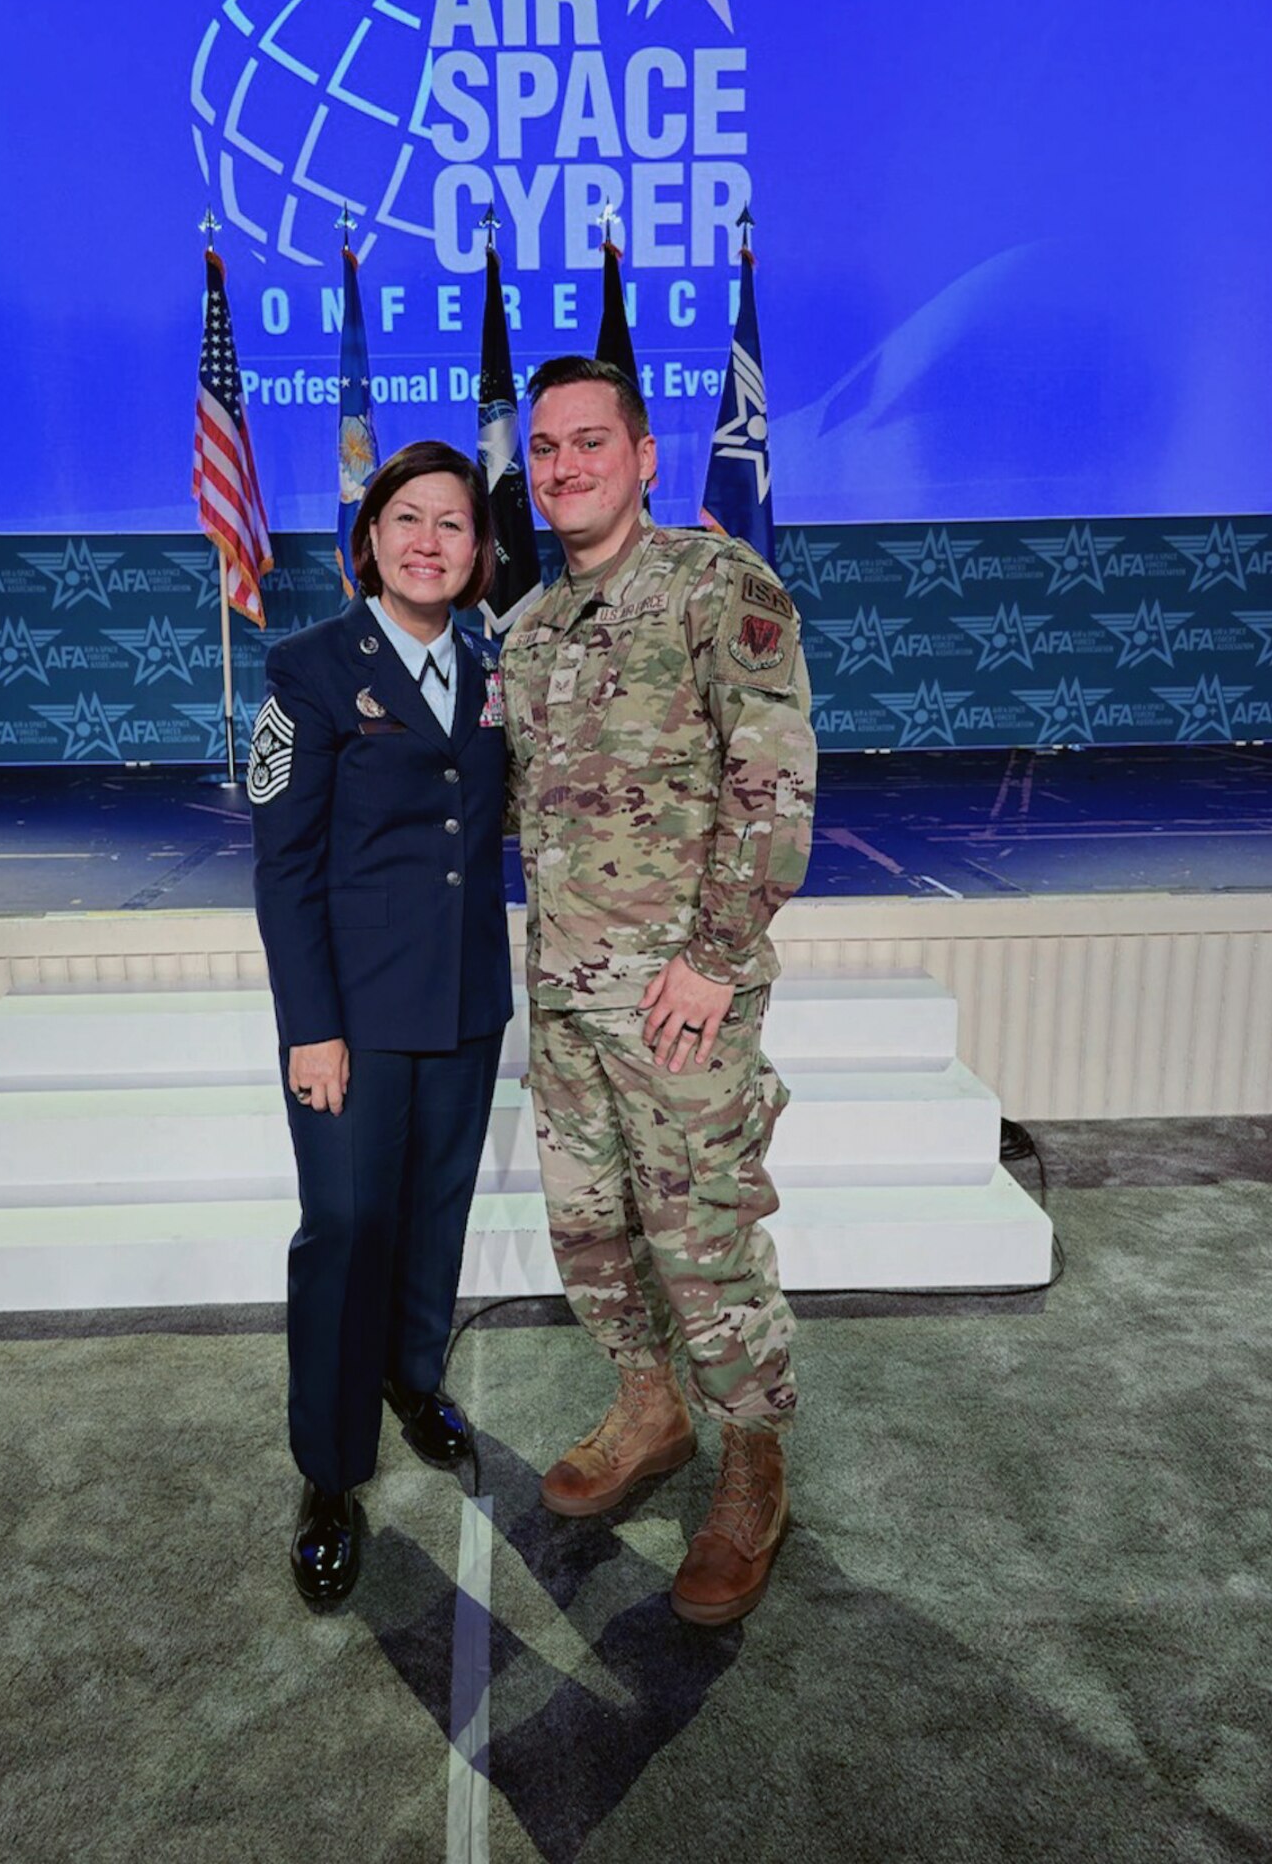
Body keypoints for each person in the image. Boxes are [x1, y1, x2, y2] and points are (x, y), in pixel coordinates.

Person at [501, 356, 817, 1627]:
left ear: (642, 455)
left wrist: (714, 957)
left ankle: (753, 1461)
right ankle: (649, 1409)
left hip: (680, 997)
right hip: (568, 1002)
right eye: (545, 449)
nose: (564, 465)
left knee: (703, 1245)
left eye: (590, 441)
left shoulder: (715, 585)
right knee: (591, 1234)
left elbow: (772, 788)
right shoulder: (525, 630)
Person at [249, 439, 511, 1606]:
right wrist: (311, 1025)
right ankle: (329, 1469)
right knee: (348, 1225)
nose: (428, 541)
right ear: (370, 538)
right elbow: (283, 865)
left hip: (463, 999)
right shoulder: (308, 668)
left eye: (452, 523)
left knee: (433, 1208)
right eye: (408, 518)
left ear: (476, 548)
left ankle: (413, 1378)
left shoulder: (498, 663)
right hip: (350, 1015)